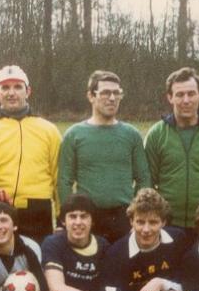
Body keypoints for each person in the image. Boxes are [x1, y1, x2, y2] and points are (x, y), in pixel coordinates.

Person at [0, 64, 62, 241]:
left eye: (17, 87)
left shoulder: (49, 130)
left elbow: (59, 176)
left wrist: (61, 216)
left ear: (28, 91)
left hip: (39, 210)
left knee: (37, 265)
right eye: (5, 87)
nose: (11, 93)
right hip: (0, 208)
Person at [144, 67, 199, 249]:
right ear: (170, 97)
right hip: (167, 224)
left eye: (191, 94)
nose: (186, 100)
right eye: (180, 94)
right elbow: (147, 183)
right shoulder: (156, 134)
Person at [57, 71, 151, 244]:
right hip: (88, 218)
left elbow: (144, 178)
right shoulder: (74, 135)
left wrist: (137, 213)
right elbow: (64, 181)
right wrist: (68, 217)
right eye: (106, 93)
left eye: (117, 93)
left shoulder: (132, 135)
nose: (112, 98)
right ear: (91, 96)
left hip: (124, 218)